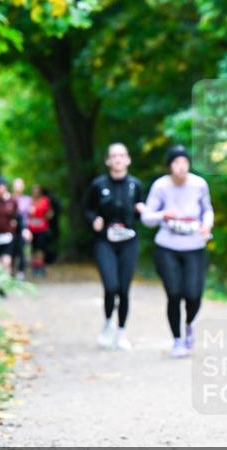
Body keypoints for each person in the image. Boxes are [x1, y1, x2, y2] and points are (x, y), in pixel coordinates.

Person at [141, 145, 214, 358]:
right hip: (167, 246)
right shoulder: (160, 186)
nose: (181, 166)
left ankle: (189, 324)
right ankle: (177, 340)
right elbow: (146, 217)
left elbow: (207, 210)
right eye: (176, 162)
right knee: (174, 293)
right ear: (169, 166)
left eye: (184, 162)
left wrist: (207, 225)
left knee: (193, 295)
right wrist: (163, 214)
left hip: (194, 246)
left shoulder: (199, 184)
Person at [84, 143, 146, 350]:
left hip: (129, 241)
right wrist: (94, 220)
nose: (118, 159)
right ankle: (108, 322)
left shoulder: (135, 185)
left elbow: (142, 213)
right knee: (111, 286)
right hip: (105, 242)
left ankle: (121, 332)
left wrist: (141, 210)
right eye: (114, 156)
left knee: (124, 289)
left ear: (128, 159)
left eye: (121, 155)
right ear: (108, 161)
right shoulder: (98, 184)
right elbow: (87, 208)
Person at [27, 185, 53, 276]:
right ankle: (35, 267)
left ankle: (41, 266)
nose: (36, 192)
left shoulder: (45, 200)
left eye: (37, 190)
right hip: (31, 229)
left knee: (41, 249)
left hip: (42, 228)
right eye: (34, 190)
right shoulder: (29, 200)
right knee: (33, 248)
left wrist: (44, 218)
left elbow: (50, 213)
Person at [11, 178, 32, 279]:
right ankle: (11, 272)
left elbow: (30, 215)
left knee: (22, 250)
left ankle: (21, 272)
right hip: (11, 228)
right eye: (16, 185)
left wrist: (27, 229)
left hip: (23, 228)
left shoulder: (27, 200)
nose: (18, 187)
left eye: (20, 185)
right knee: (12, 250)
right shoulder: (9, 198)